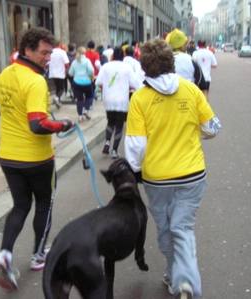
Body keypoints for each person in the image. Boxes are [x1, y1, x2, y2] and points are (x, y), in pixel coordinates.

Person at [124, 38, 221, 299]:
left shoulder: (140, 99)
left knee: (166, 229)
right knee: (183, 227)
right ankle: (185, 280)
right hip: (192, 175)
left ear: (144, 67)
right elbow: (212, 128)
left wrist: (134, 171)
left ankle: (173, 272)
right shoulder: (190, 90)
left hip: (156, 179)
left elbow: (135, 147)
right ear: (173, 62)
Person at [0, 27, 74, 291]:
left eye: (51, 53)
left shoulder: (5, 74)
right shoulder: (36, 81)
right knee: (44, 204)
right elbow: (38, 124)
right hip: (37, 159)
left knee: (20, 206)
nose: (48, 58)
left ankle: (4, 254)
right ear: (28, 49)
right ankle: (38, 256)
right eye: (44, 53)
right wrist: (64, 124)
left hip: (8, 157)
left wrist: (14, 115)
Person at [95, 46, 137, 159]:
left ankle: (107, 141)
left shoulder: (106, 67)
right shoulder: (127, 67)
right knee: (119, 125)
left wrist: (108, 87)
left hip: (108, 99)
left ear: (113, 56)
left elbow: (98, 82)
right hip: (122, 100)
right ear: (123, 56)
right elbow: (134, 84)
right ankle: (114, 150)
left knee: (110, 122)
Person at [165, 29, 208, 99]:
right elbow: (201, 84)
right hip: (187, 99)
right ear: (181, 46)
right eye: (185, 44)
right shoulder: (191, 60)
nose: (187, 46)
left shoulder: (162, 60)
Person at [68, 46, 94, 122]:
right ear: (84, 52)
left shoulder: (74, 62)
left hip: (77, 82)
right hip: (87, 82)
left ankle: (80, 116)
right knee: (89, 97)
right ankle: (86, 109)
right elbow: (91, 71)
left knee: (79, 99)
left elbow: (70, 73)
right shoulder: (87, 61)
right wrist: (88, 75)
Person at [48, 40, 69, 109]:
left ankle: (58, 102)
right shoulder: (62, 52)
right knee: (61, 88)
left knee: (57, 87)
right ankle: (57, 98)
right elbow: (66, 63)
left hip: (52, 73)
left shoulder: (50, 52)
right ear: (59, 44)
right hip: (60, 73)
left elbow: (47, 63)